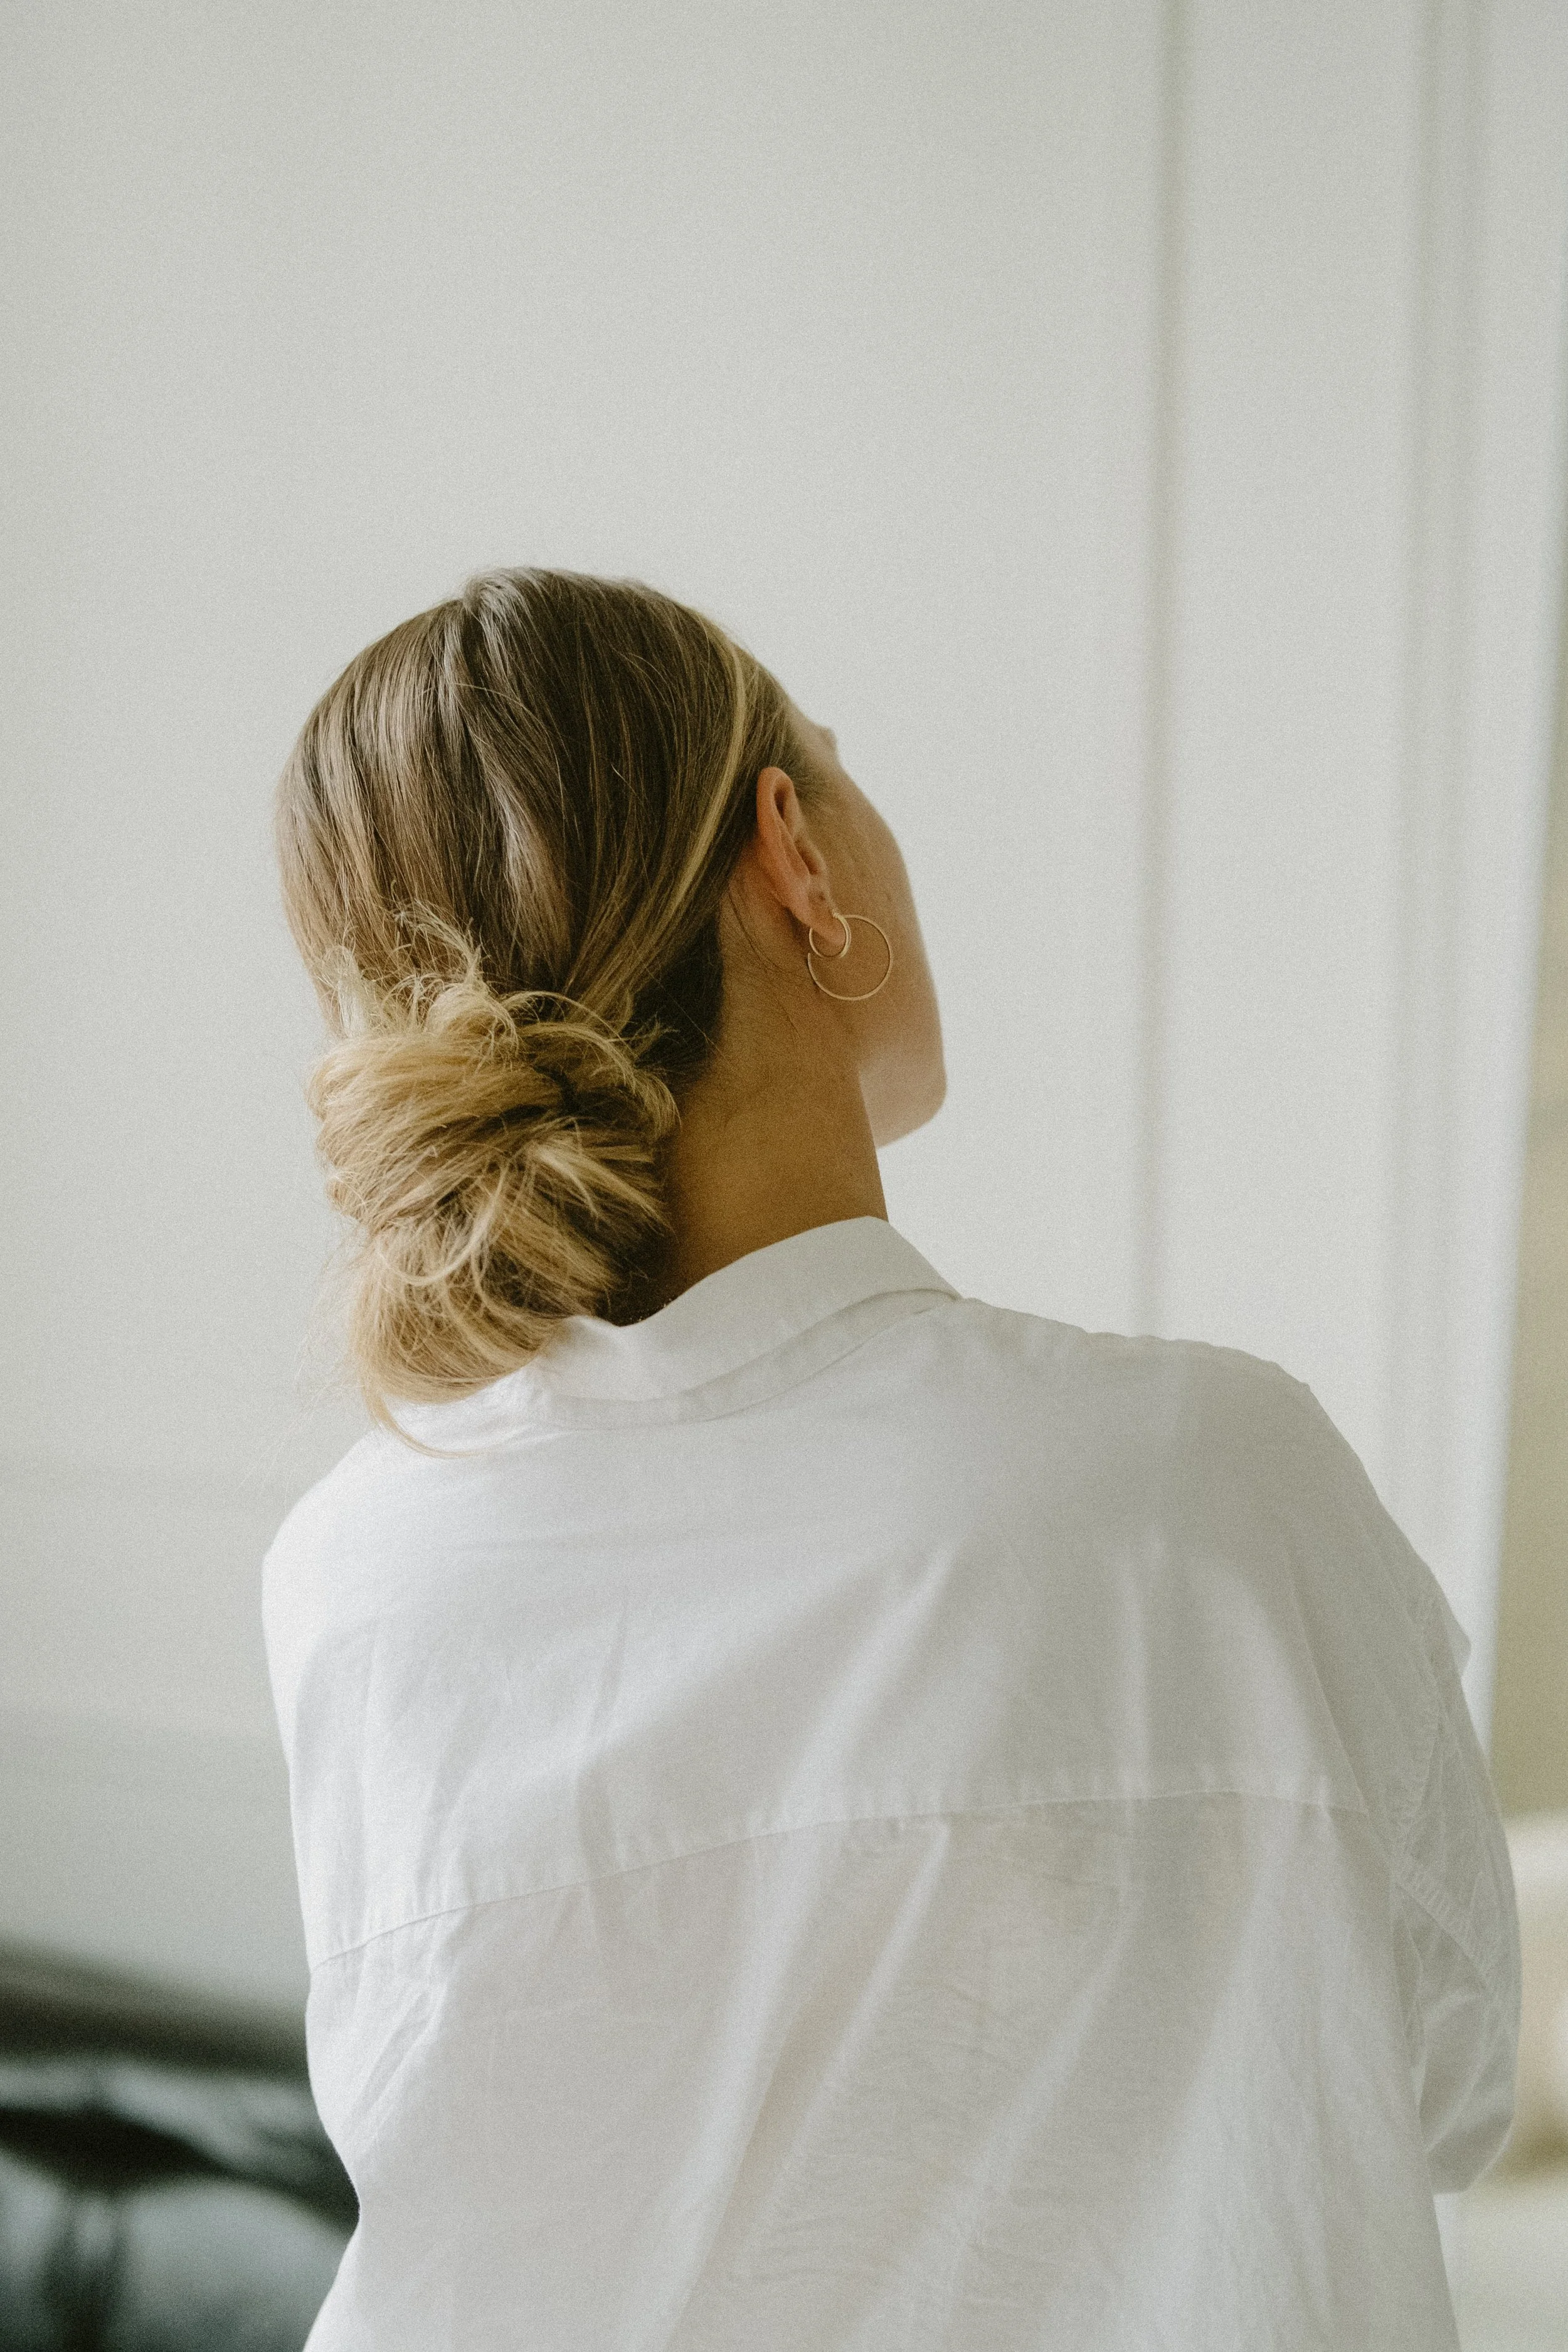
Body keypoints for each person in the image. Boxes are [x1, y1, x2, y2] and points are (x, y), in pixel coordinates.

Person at [263, 568, 1519, 2351]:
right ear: (795, 857)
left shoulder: (352, 1568)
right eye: (839, 777)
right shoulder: (1200, 1483)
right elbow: (1444, 2074)